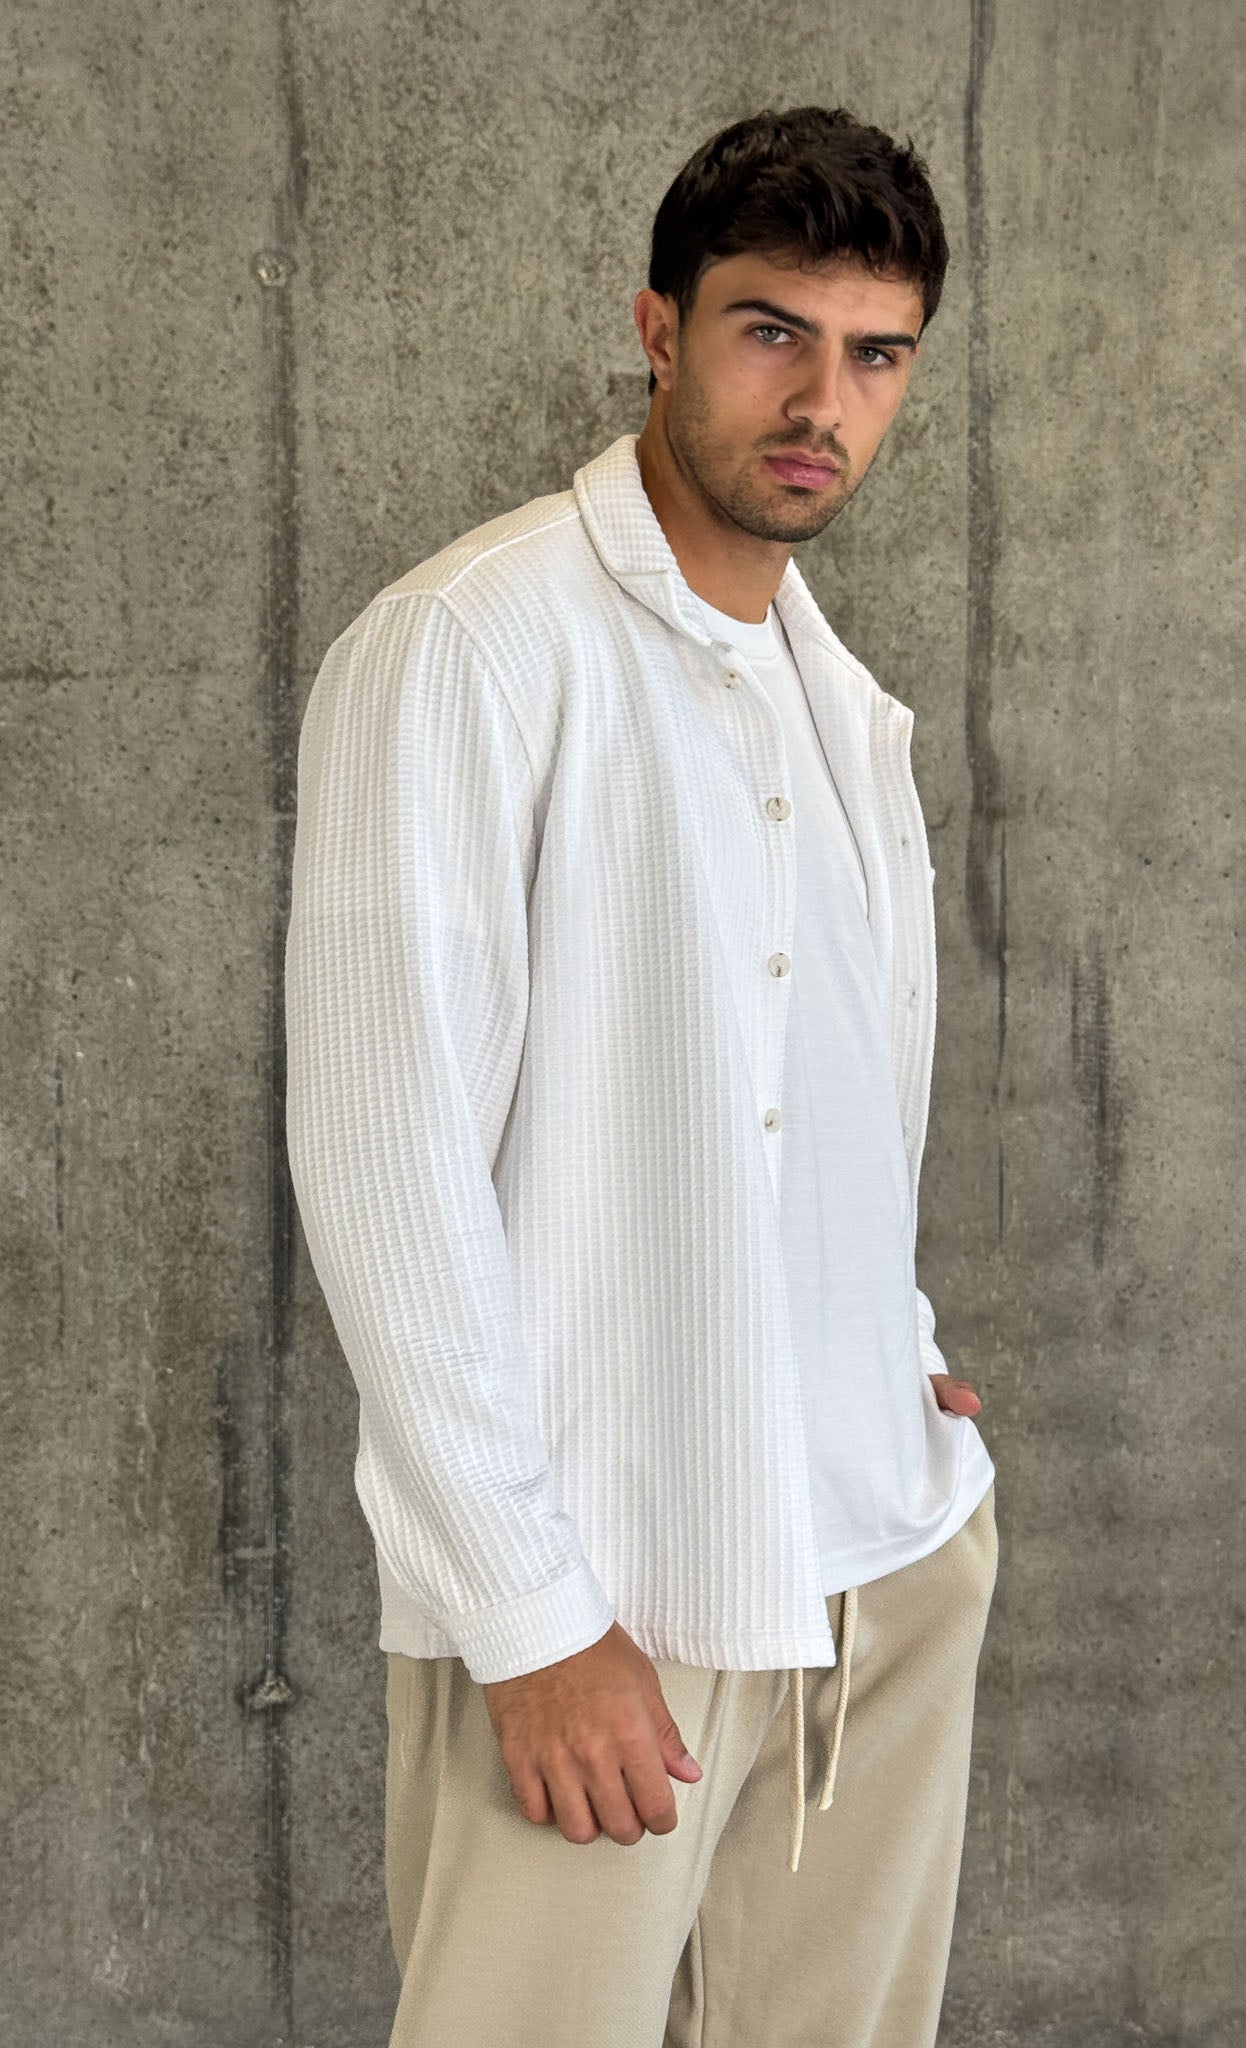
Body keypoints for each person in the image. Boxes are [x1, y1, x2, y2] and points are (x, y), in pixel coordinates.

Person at [285, 102, 998, 2048]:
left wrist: (884, 1340)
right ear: (658, 329)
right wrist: (527, 1620)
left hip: (877, 1554)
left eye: (875, 355)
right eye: (773, 332)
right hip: (612, 1584)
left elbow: (823, 1087)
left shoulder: (829, 695)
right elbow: (385, 1164)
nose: (822, 402)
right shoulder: (468, 646)